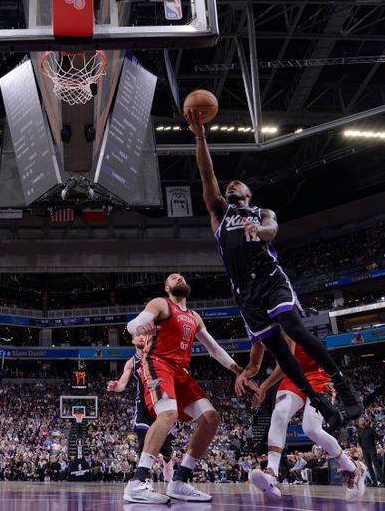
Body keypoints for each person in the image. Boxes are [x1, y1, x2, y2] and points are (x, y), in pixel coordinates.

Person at [184, 110, 363, 430]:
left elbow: (270, 232)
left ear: (248, 195)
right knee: (280, 352)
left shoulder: (262, 214)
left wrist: (255, 227)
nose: (232, 184)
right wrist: (200, 135)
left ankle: (342, 385)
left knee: (293, 327)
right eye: (230, 184)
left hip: (269, 278)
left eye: (239, 183)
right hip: (244, 292)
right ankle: (319, 401)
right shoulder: (218, 214)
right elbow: (206, 173)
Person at [122, 273, 257, 504]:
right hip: (157, 362)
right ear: (167, 287)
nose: (179, 278)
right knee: (168, 414)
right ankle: (137, 481)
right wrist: (139, 326)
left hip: (180, 372)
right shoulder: (160, 304)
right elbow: (132, 324)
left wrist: (239, 371)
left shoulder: (194, 317)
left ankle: (180, 480)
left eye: (181, 277)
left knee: (211, 418)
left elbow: (214, 349)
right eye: (173, 278)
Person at [237, 336, 367, 501]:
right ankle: (271, 473)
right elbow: (254, 365)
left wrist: (263, 387)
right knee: (279, 414)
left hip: (319, 372)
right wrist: (242, 374)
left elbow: (287, 360)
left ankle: (353, 467)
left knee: (311, 428)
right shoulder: (254, 327)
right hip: (292, 375)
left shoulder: (278, 320)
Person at [107, 332, 176, 483]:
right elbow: (122, 384)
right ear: (133, 340)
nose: (141, 337)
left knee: (165, 447)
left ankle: (168, 461)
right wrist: (115, 386)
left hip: (160, 400)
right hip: (144, 402)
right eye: (137, 335)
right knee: (143, 439)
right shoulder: (131, 362)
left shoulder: (158, 356)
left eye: (144, 335)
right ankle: (143, 478)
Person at [357, 416, 385, 487]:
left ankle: (383, 482)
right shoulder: (359, 430)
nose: (362, 422)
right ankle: (374, 482)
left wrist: (382, 446)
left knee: (376, 465)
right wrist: (361, 448)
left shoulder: (370, 429)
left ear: (365, 421)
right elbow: (359, 440)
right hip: (364, 450)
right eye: (360, 421)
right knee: (369, 466)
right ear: (359, 422)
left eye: (363, 420)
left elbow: (378, 438)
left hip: (371, 448)